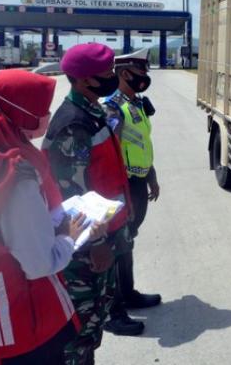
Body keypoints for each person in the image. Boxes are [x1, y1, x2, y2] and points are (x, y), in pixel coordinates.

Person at [0, 69, 101, 365]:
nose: (46, 116)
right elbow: (40, 263)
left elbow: (12, 230)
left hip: (5, 317)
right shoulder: (15, 179)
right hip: (25, 329)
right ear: (15, 114)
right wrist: (69, 237)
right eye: (40, 109)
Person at [43, 43, 139, 364]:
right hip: (86, 248)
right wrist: (96, 243)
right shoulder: (73, 124)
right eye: (107, 74)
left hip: (107, 231)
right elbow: (74, 196)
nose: (113, 78)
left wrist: (125, 208)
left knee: (95, 324)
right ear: (84, 80)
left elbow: (105, 171)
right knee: (80, 333)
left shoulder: (92, 110)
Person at [102, 48, 162, 335]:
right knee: (116, 247)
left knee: (127, 242)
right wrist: (122, 191)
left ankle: (128, 294)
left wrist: (151, 176)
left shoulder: (134, 102)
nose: (144, 79)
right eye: (140, 74)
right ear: (124, 73)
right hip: (122, 187)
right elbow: (111, 151)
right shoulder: (113, 106)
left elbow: (141, 143)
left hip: (137, 183)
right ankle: (114, 312)